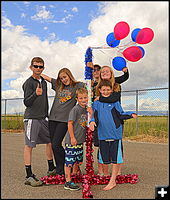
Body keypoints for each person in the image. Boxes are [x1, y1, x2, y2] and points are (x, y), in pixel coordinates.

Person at [89, 80, 137, 190]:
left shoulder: (115, 102)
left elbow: (121, 114)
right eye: (103, 90)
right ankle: (106, 176)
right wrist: (91, 122)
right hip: (102, 134)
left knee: (116, 158)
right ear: (100, 90)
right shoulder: (96, 103)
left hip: (115, 134)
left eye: (108, 89)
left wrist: (130, 114)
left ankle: (113, 180)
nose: (106, 91)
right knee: (104, 159)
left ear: (111, 90)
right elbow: (93, 116)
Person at [41, 68, 85, 175]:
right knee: (53, 145)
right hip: (52, 118)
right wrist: (36, 72)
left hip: (64, 120)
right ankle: (60, 169)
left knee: (56, 144)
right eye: (61, 78)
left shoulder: (77, 86)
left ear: (69, 75)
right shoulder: (58, 85)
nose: (63, 80)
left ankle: (69, 163)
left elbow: (90, 85)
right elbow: (47, 78)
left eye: (65, 77)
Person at [22, 57, 55, 187]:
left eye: (41, 67)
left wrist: (46, 115)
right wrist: (35, 94)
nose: (38, 69)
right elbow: (26, 102)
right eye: (36, 66)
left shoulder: (44, 82)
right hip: (32, 118)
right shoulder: (28, 83)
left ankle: (51, 168)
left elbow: (45, 101)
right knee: (29, 146)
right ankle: (29, 175)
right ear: (31, 67)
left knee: (49, 142)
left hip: (43, 118)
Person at [92, 65, 129, 176]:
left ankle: (117, 171)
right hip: (101, 122)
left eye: (107, 71)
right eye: (102, 71)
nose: (104, 73)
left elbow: (113, 99)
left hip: (114, 121)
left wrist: (126, 72)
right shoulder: (97, 86)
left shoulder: (116, 85)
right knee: (101, 145)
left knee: (117, 145)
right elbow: (93, 102)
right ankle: (102, 171)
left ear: (112, 73)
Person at [64, 88, 92, 190]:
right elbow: (70, 123)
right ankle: (68, 181)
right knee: (69, 161)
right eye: (81, 98)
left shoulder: (87, 109)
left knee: (77, 160)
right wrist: (72, 137)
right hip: (72, 140)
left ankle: (74, 175)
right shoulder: (75, 110)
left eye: (85, 97)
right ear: (77, 99)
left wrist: (91, 112)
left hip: (80, 140)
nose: (83, 100)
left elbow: (90, 121)